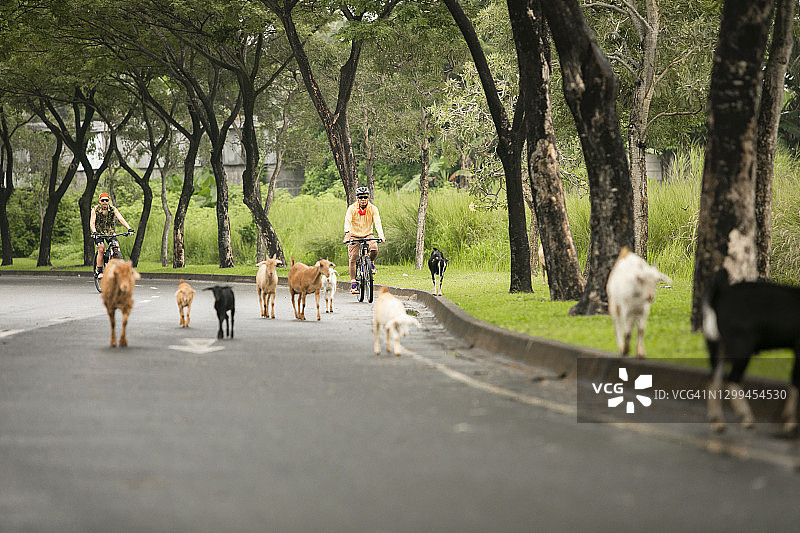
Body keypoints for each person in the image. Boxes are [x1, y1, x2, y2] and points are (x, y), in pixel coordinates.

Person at [343, 186, 386, 294]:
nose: (363, 199)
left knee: (374, 248)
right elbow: (347, 221)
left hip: (368, 234)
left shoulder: (373, 209)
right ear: (357, 198)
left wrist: (381, 235)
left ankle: (370, 262)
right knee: (353, 257)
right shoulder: (352, 208)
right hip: (354, 235)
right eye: (360, 197)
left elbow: (377, 222)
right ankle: (353, 284)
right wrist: (347, 233)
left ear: (368, 197)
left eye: (365, 197)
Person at [90, 192, 134, 278]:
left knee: (116, 246)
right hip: (98, 233)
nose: (105, 202)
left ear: (109, 201)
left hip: (110, 232)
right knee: (101, 248)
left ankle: (115, 263)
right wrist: (94, 232)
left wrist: (129, 228)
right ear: (100, 201)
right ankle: (99, 271)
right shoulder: (95, 210)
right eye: (103, 200)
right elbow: (92, 222)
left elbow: (120, 218)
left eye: (106, 200)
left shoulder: (113, 209)